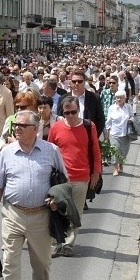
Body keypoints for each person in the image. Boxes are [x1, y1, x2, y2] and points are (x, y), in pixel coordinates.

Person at [0, 110, 67, 280]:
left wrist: (56, 200)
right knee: (9, 264)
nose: (17, 129)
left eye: (22, 125)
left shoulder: (51, 151)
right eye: (16, 125)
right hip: (13, 214)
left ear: (35, 128)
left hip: (41, 216)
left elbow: (64, 183)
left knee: (42, 264)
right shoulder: (7, 153)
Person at [48, 95, 101, 257]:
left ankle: (69, 244)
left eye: (73, 112)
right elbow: (49, 152)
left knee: (75, 213)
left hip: (81, 177)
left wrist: (96, 173)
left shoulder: (88, 126)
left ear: (79, 110)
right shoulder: (55, 127)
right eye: (67, 113)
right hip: (60, 179)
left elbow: (95, 151)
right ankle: (55, 244)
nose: (70, 116)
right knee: (55, 211)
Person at [57, 70, 105, 135]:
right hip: (69, 135)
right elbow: (60, 119)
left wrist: (94, 137)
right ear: (70, 82)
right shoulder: (62, 98)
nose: (77, 83)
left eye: (80, 81)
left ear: (84, 82)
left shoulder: (94, 97)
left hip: (88, 136)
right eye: (74, 81)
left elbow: (100, 120)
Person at [104, 90, 135, 176]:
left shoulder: (128, 107)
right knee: (115, 151)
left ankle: (121, 164)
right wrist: (107, 132)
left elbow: (132, 116)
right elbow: (108, 121)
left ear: (125, 98)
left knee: (124, 151)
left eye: (121, 97)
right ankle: (115, 168)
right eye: (117, 97)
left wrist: (130, 121)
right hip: (114, 133)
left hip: (125, 133)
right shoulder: (112, 108)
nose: (119, 99)